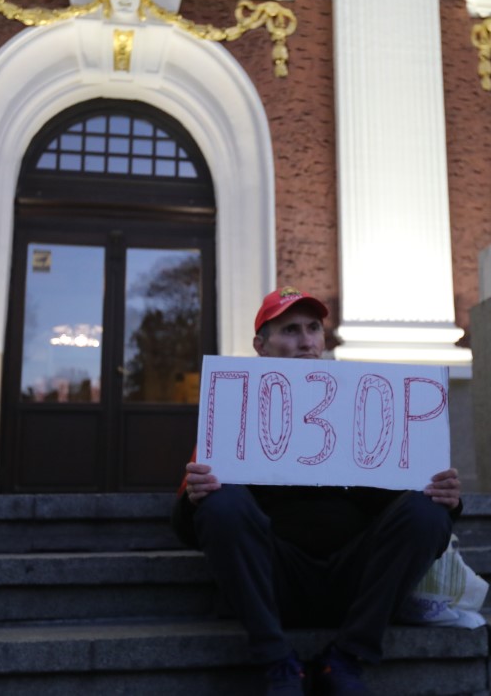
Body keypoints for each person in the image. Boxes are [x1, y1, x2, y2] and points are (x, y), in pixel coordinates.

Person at [172, 286, 462, 695]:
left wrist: (442, 494)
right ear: (261, 345)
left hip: (355, 578)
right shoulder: (232, 411)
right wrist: (196, 496)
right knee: (223, 503)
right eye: (290, 330)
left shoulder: (368, 408)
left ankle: (346, 658)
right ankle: (277, 662)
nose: (306, 341)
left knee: (429, 512)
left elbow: (404, 507)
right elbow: (189, 528)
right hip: (275, 577)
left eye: (313, 328)